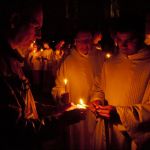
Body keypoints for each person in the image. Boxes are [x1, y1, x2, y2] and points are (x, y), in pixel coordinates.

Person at [0, 0, 86, 149]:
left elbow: (24, 105)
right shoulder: (2, 64)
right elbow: (16, 131)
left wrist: (54, 111)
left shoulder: (12, 59)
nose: (39, 35)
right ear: (14, 20)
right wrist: (60, 121)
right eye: (36, 27)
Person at [90, 16, 150, 150]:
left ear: (141, 37)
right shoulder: (110, 62)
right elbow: (99, 88)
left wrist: (120, 114)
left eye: (129, 40)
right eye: (119, 40)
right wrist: (97, 100)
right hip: (108, 131)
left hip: (133, 138)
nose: (122, 45)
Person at [52, 29, 104, 150]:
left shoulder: (100, 57)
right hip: (77, 113)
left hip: (97, 109)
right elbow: (58, 87)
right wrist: (61, 96)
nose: (86, 45)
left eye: (88, 41)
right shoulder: (68, 62)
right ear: (76, 42)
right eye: (82, 41)